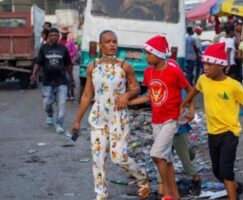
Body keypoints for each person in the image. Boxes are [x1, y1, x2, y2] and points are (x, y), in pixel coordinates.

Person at [180, 42, 243, 200]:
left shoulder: (233, 86)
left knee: (226, 172)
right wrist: (184, 103)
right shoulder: (203, 80)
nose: (205, 67)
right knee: (217, 172)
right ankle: (236, 187)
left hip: (229, 133)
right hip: (212, 133)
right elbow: (194, 90)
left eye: (209, 64)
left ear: (221, 66)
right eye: (204, 64)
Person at [71, 30, 150, 200]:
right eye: (108, 41)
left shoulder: (124, 66)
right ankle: (101, 195)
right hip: (98, 117)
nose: (112, 44)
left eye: (114, 41)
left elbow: (135, 87)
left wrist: (127, 95)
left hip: (118, 118)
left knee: (118, 157)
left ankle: (141, 176)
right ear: (100, 45)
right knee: (98, 159)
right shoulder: (92, 67)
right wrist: (77, 120)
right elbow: (86, 95)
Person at [129, 35, 193, 200]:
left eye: (149, 54)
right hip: (156, 119)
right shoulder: (148, 72)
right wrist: (129, 102)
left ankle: (167, 192)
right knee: (167, 160)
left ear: (159, 54)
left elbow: (190, 89)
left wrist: (189, 110)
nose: (146, 57)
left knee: (156, 154)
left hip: (171, 119)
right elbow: (150, 96)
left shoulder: (173, 71)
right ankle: (176, 195)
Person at [31, 28, 74, 134]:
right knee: (46, 104)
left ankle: (59, 124)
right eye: (52, 35)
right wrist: (34, 74)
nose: (54, 37)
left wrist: (72, 79)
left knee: (62, 104)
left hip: (62, 82)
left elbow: (69, 65)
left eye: (56, 35)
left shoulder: (63, 48)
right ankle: (50, 114)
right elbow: (38, 63)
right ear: (48, 37)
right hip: (47, 82)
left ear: (59, 37)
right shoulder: (44, 48)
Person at [59, 27, 78, 101]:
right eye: (62, 34)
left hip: (69, 63)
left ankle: (72, 93)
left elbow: (74, 51)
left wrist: (67, 55)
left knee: (70, 77)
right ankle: (67, 94)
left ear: (67, 34)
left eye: (65, 34)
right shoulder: (59, 42)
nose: (63, 35)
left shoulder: (70, 42)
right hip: (61, 63)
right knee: (64, 78)